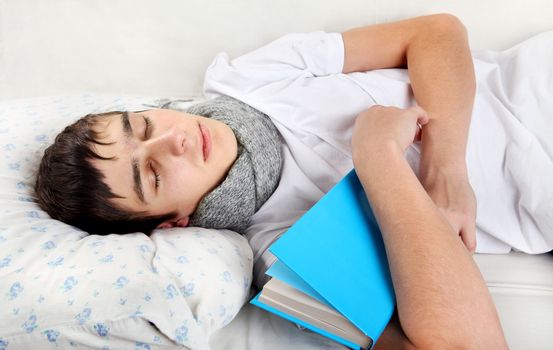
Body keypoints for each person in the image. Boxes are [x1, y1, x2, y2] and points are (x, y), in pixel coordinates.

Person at [36, 12, 548, 347]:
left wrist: (445, 169)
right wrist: (379, 157)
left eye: (143, 125)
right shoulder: (280, 259)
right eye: (151, 174)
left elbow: (437, 33)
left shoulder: (247, 79)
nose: (175, 141)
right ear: (174, 222)